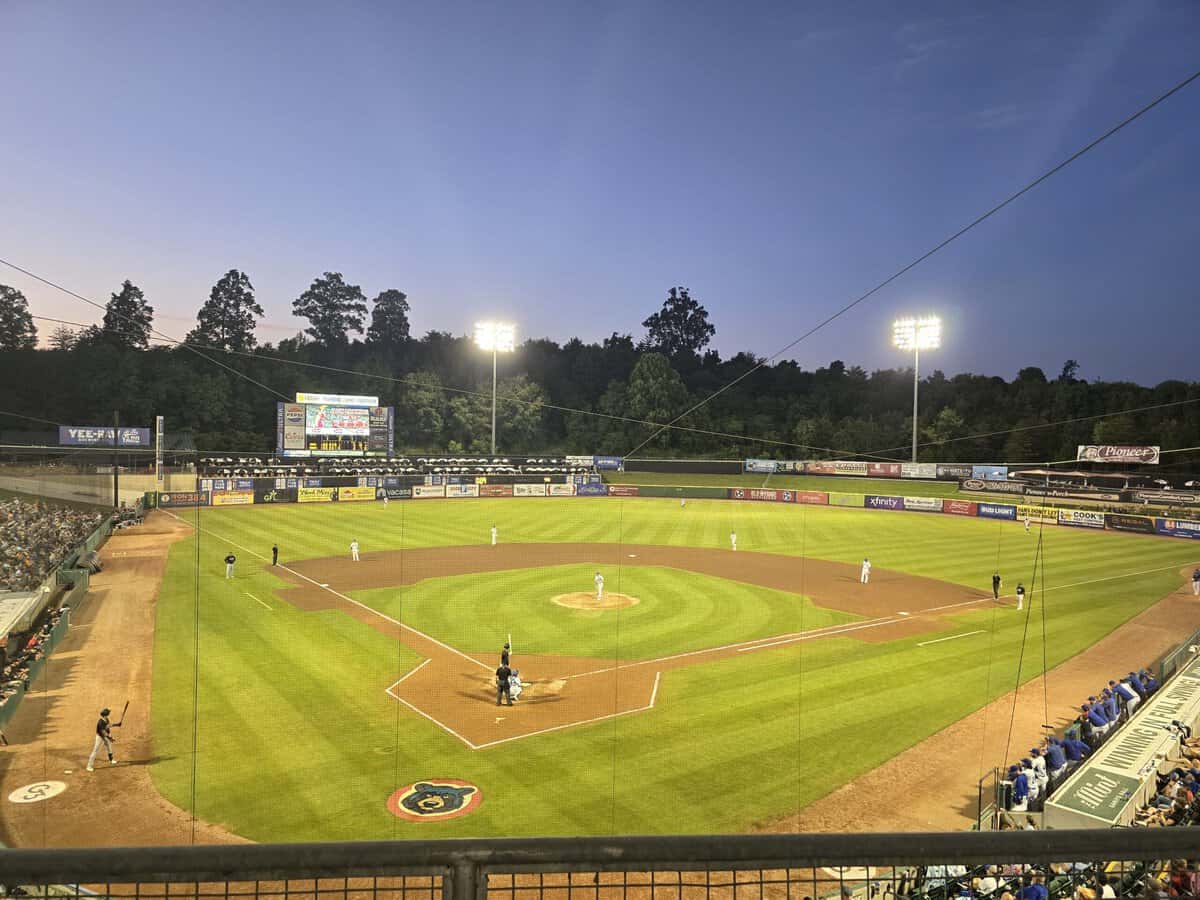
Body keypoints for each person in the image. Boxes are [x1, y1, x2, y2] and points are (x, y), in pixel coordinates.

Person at [86, 707, 118, 771]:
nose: (109, 713)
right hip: (100, 738)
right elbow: (104, 733)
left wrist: (116, 724)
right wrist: (110, 738)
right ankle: (89, 766)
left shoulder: (106, 719)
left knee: (109, 747)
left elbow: (108, 726)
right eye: (108, 713)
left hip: (105, 736)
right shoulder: (100, 722)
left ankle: (111, 760)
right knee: (95, 751)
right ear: (105, 715)